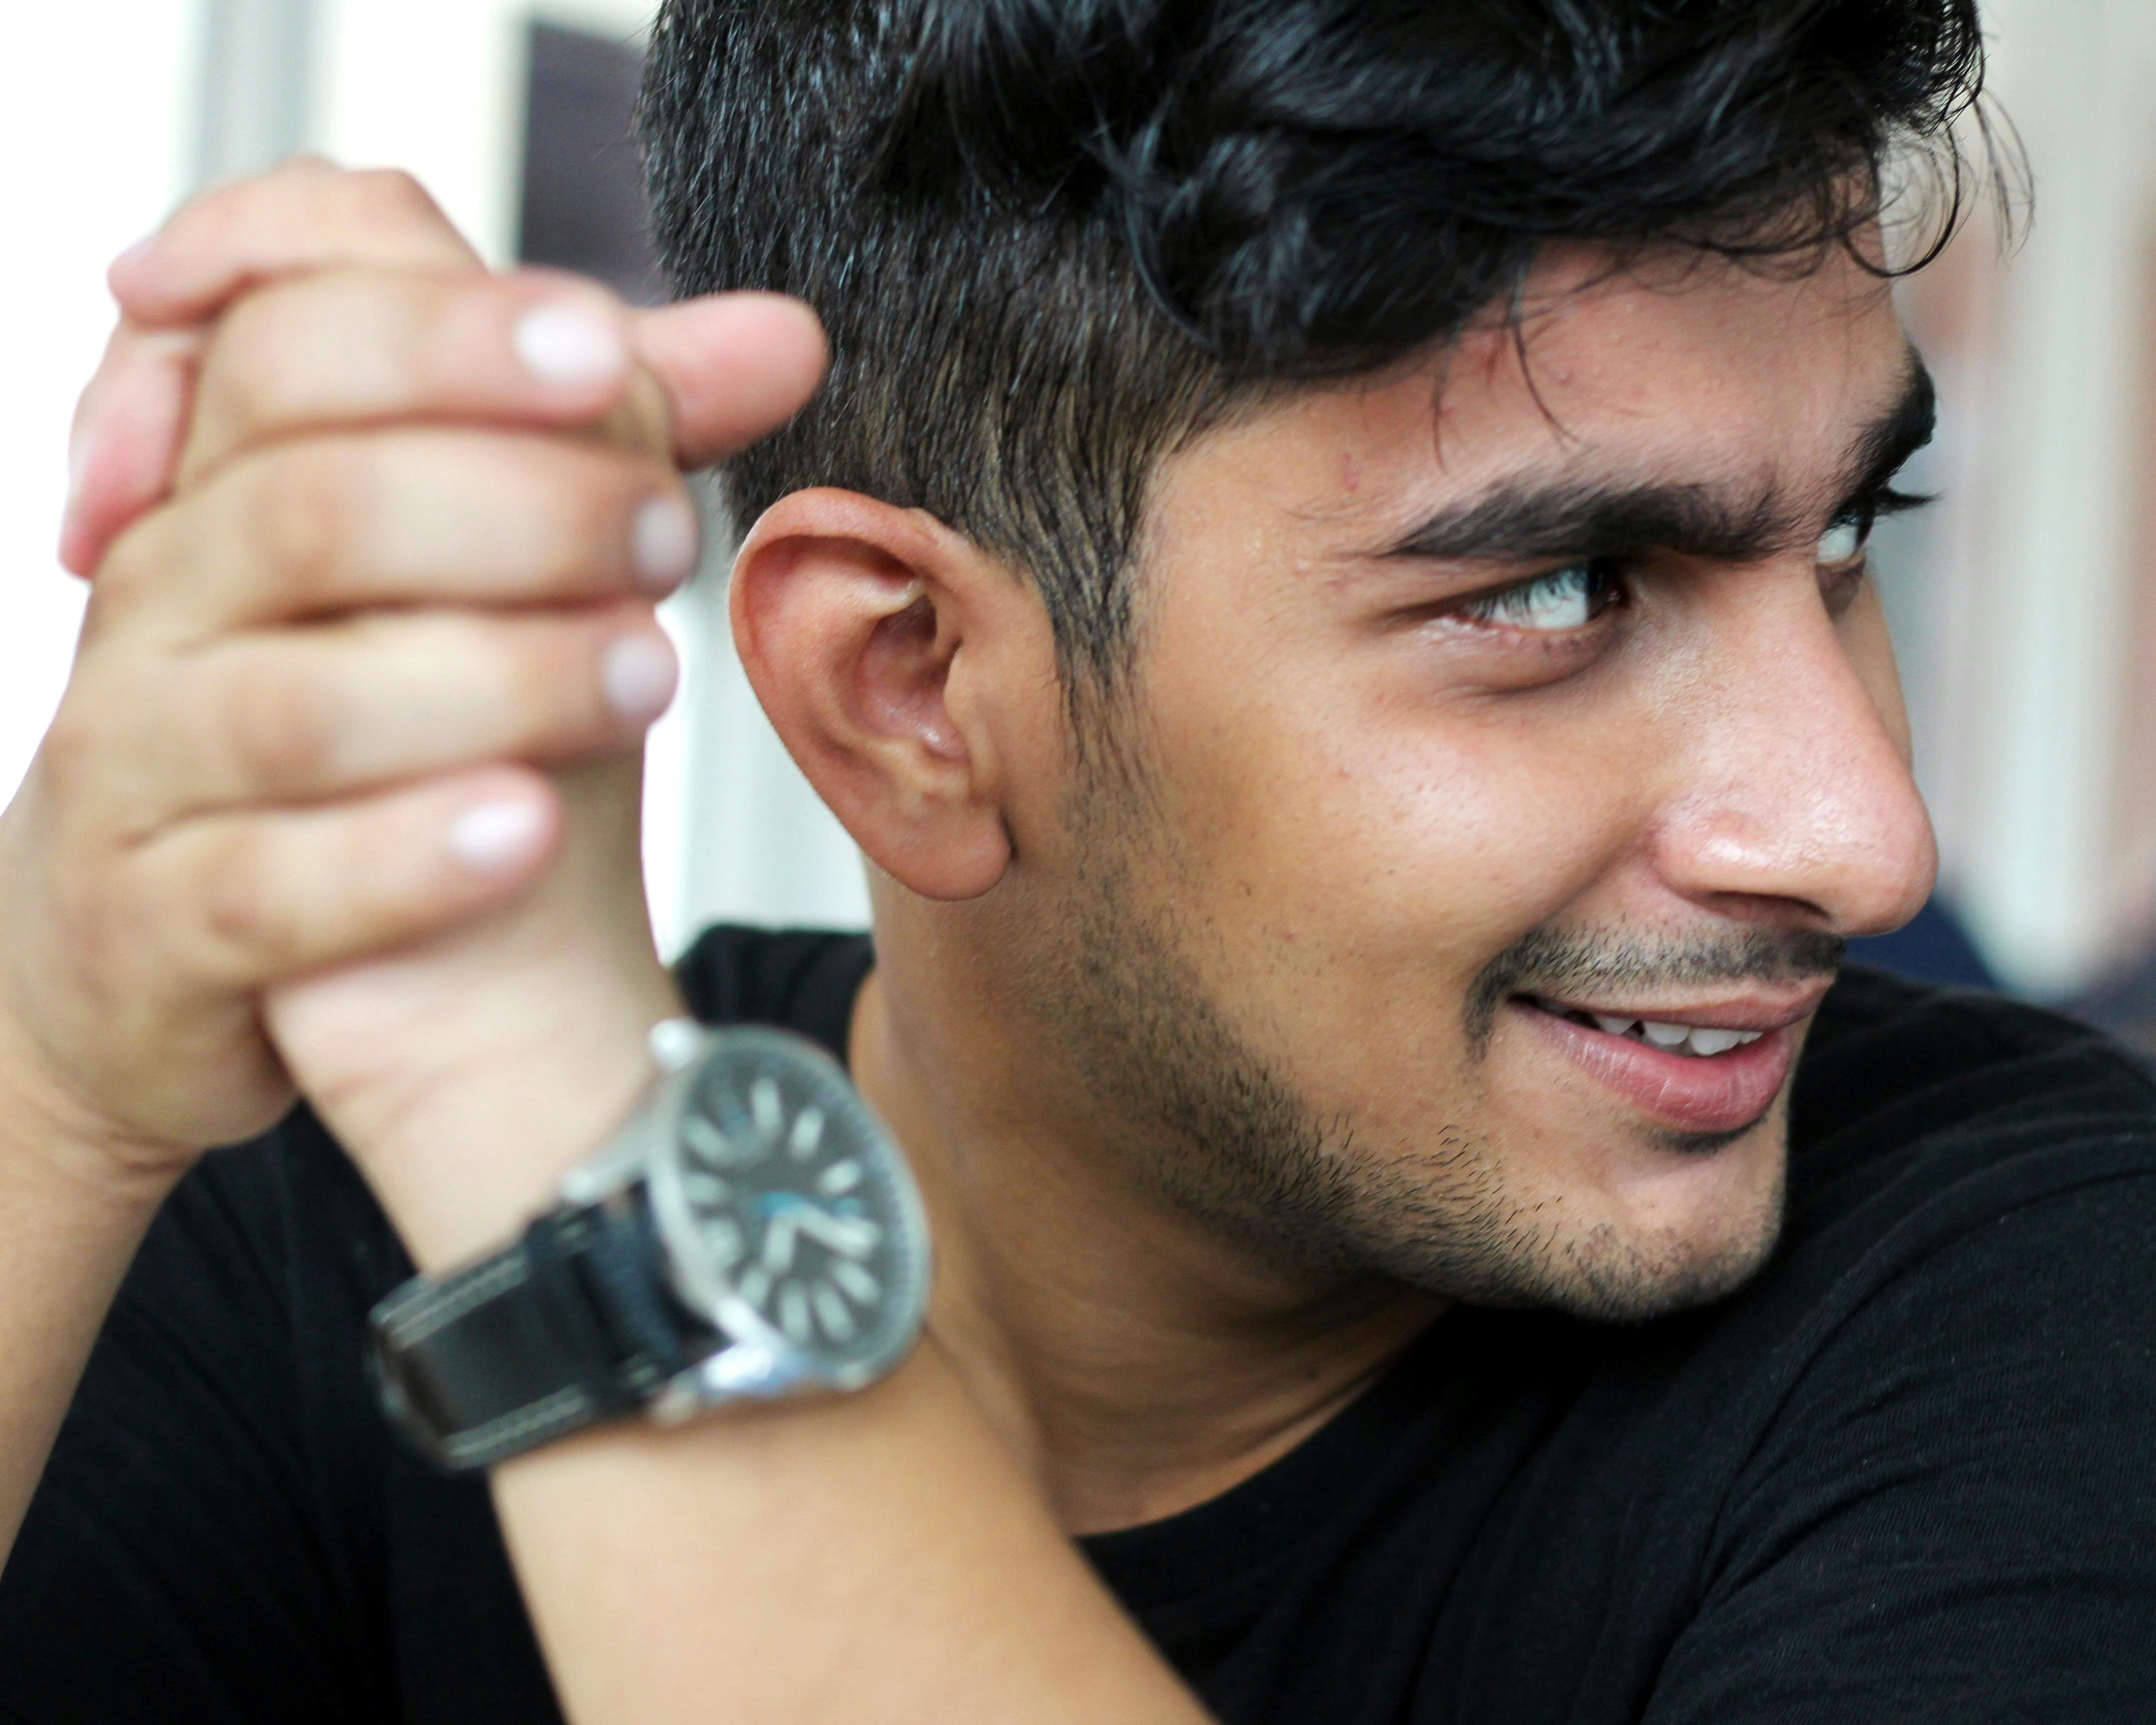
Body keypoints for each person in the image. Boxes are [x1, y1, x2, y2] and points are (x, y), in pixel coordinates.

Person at [2, 0, 2153, 1720]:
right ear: (908, 691)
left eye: (1849, 535)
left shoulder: (2032, 1295)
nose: (1869, 841)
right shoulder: (306, 1239)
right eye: (1563, 587)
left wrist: (545, 1104)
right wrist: (51, 1072)